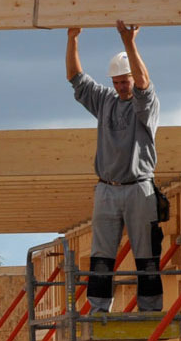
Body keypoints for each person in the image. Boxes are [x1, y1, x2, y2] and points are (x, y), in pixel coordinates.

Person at [66, 21, 163, 313]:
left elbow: (144, 83)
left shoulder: (145, 104)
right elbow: (75, 78)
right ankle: (99, 309)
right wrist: (73, 39)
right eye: (117, 82)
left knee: (146, 255)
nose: (122, 86)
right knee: (101, 256)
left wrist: (129, 42)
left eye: (126, 81)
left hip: (138, 188)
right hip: (107, 189)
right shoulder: (106, 101)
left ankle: (150, 309)